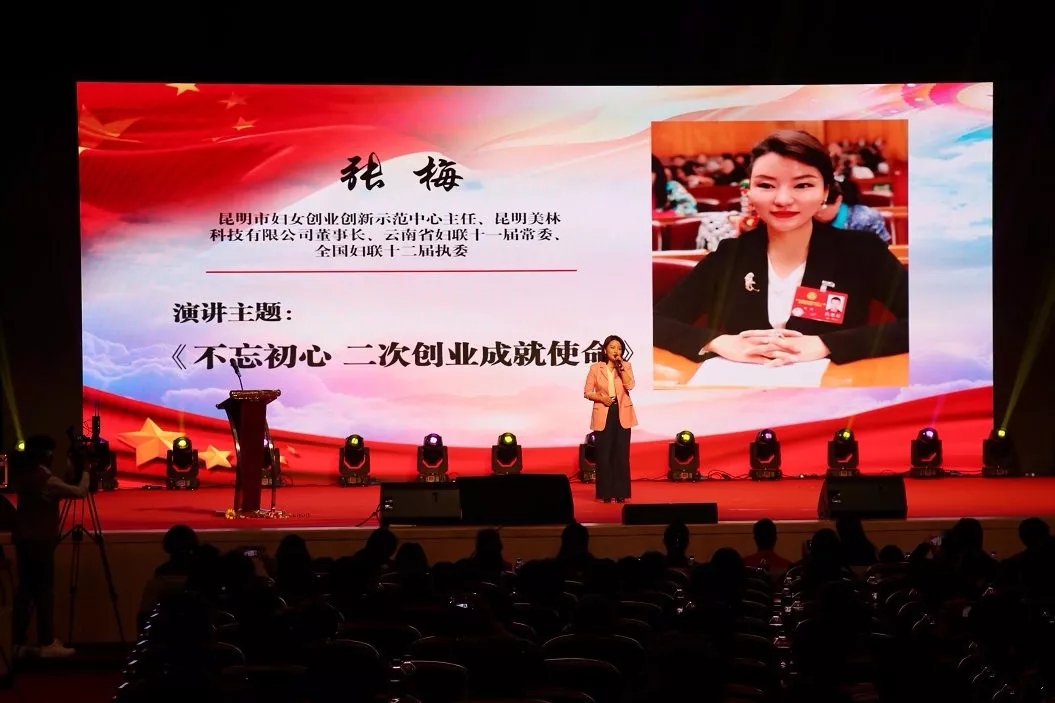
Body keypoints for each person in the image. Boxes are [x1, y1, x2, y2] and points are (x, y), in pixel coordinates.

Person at [654, 129, 908, 367]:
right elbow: (655, 322)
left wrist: (829, 343)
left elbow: (923, 322)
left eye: (803, 185)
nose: (783, 199)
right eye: (766, 185)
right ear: (749, 192)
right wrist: (716, 341)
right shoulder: (730, 255)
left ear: (825, 192)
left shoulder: (861, 251)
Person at [11, 434, 90, 658]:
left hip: (23, 540)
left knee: (25, 590)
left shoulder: (24, 475)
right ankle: (46, 642)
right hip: (41, 541)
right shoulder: (46, 480)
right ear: (46, 455)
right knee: (44, 591)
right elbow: (80, 492)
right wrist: (85, 471)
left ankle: (16, 642)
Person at [582, 335, 637, 503]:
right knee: (604, 454)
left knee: (621, 454)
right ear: (605, 350)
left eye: (619, 348)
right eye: (613, 347)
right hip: (604, 411)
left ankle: (620, 492)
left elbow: (630, 385)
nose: (616, 351)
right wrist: (601, 397)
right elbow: (587, 392)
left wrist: (621, 367)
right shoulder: (595, 368)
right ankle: (605, 493)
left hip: (622, 412)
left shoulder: (626, 366)